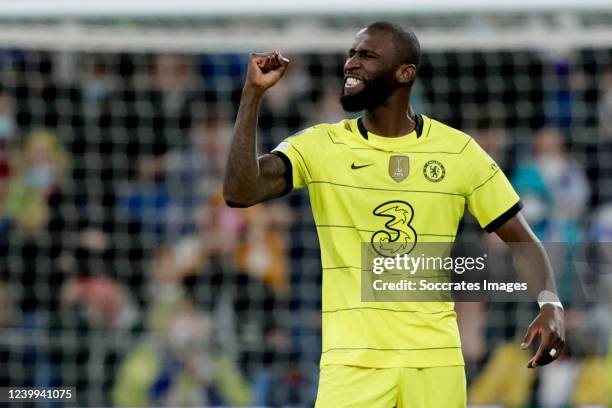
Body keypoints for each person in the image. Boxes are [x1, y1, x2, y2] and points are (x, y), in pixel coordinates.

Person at [223, 21, 565, 407]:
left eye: (366, 56)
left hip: (435, 362)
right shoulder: (321, 146)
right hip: (352, 365)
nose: (351, 63)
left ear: (405, 73)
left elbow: (522, 241)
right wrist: (252, 94)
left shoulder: (459, 152)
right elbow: (239, 191)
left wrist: (551, 303)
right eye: (351, 53)